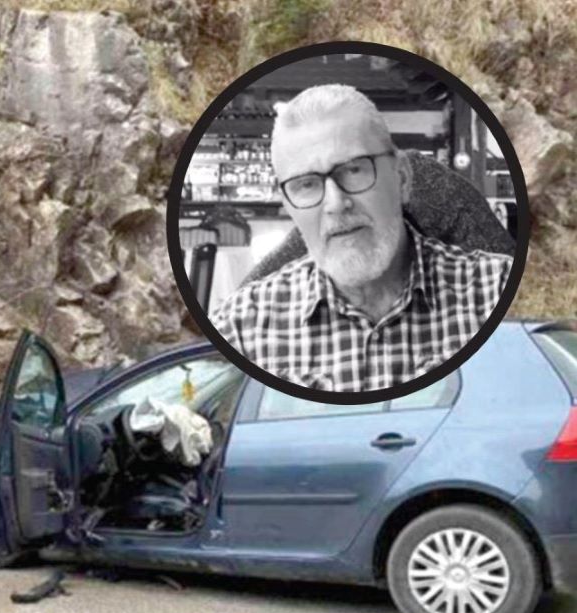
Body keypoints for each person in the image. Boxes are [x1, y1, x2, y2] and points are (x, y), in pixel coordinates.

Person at [208, 84, 512, 392]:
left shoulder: (498, 287)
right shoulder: (240, 327)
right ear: (287, 204)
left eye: (354, 170)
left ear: (402, 179)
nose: (335, 203)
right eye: (306, 185)